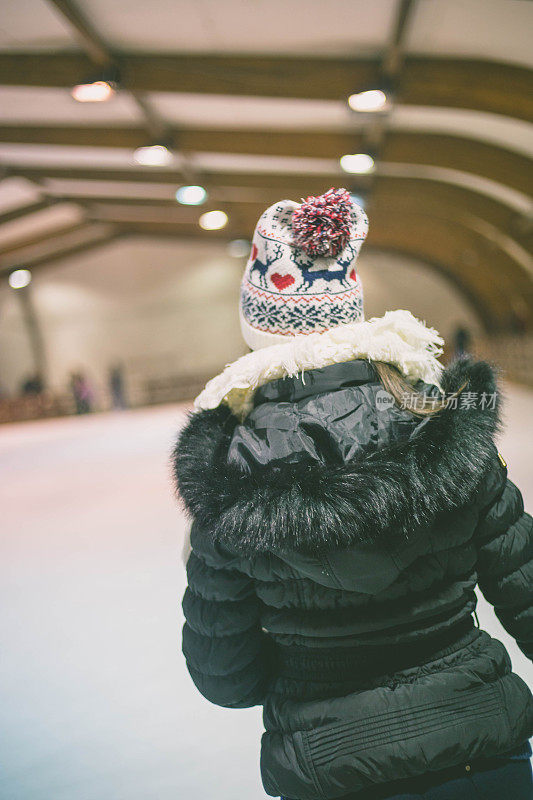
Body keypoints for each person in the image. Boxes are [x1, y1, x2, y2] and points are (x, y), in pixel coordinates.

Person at [173, 189, 533, 800]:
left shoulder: (228, 479)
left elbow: (224, 677)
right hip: (480, 747)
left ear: (256, 328)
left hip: (331, 766)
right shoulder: (444, 422)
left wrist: (308, 668)